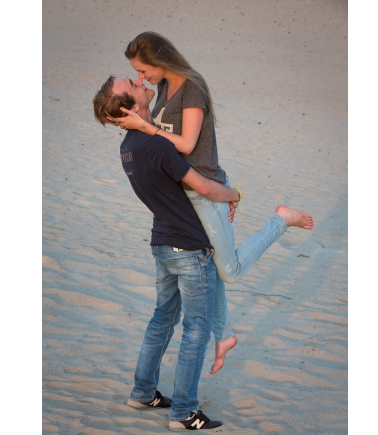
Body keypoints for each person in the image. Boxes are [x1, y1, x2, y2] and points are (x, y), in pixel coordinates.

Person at [110, 31, 314, 374]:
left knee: (229, 270)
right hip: (190, 192)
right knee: (210, 265)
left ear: (160, 59)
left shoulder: (192, 88)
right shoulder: (164, 89)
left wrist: (144, 127)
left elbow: (187, 145)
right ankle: (225, 336)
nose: (142, 78)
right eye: (137, 74)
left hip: (205, 189)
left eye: (143, 70)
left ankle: (281, 219)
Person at [92, 74, 237, 430]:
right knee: (196, 329)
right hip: (188, 247)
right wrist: (235, 195)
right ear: (131, 106)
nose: (141, 82)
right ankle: (184, 411)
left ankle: (143, 392)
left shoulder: (129, 147)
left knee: (162, 319)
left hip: (163, 244)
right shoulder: (155, 145)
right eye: (133, 84)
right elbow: (203, 186)